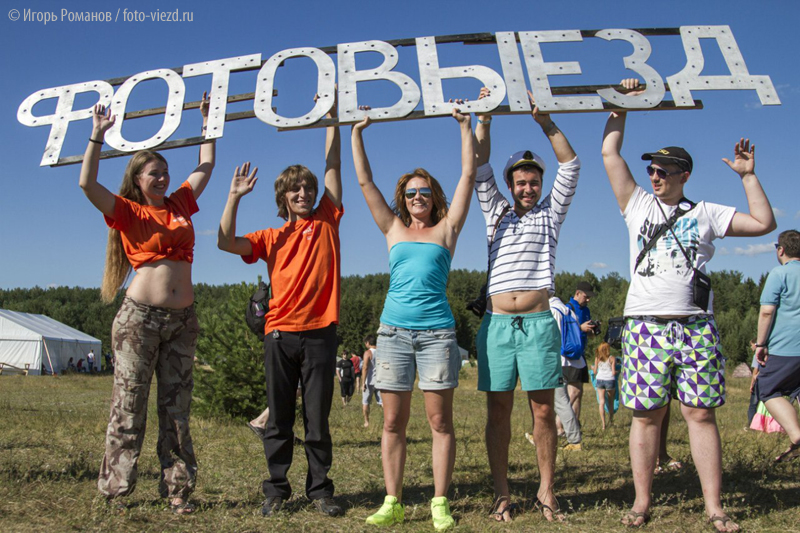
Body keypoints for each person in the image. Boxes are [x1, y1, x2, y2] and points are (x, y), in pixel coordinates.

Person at [601, 78, 776, 531]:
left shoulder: (707, 214)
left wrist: (747, 176)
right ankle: (642, 503)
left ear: (684, 174)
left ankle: (715, 507)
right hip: (644, 326)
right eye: (653, 170)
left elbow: (762, 223)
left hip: (696, 327)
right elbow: (610, 155)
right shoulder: (636, 204)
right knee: (645, 416)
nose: (655, 176)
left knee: (700, 414)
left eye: (664, 170)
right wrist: (621, 106)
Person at [81, 94, 214, 514]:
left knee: (176, 410)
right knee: (129, 404)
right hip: (140, 321)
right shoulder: (127, 211)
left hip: (182, 320)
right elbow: (87, 184)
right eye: (154, 173)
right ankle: (117, 491)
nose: (162, 179)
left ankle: (177, 491)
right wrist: (96, 137)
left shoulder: (180, 204)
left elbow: (206, 166)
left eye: (165, 173)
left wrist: (208, 123)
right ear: (138, 179)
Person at [351, 104, 475, 531]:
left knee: (440, 421)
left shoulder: (447, 229)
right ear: (401, 198)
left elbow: (468, 177)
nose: (417, 197)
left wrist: (465, 128)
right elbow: (365, 181)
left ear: (433, 196)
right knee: (392, 421)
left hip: (438, 334)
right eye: (410, 192)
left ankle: (440, 502)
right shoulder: (392, 229)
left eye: (424, 191)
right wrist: (357, 132)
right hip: (393, 334)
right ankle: (393, 500)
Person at [217, 99, 343, 518]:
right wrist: (233, 198)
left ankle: (320, 490)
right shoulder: (271, 236)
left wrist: (331, 121)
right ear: (284, 198)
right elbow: (224, 242)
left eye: (307, 187)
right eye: (296, 190)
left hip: (321, 331)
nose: (304, 193)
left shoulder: (327, 218)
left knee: (317, 419)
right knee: (279, 420)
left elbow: (333, 167)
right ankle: (276, 490)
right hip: (279, 334)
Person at [473, 87, 579, 522]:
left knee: (542, 408)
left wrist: (546, 122)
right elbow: (480, 165)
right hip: (497, 324)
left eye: (534, 181)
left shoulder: (550, 213)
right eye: (521, 181)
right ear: (511, 184)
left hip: (537, 323)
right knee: (498, 409)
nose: (529, 187)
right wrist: (485, 119)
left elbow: (570, 165)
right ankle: (502, 494)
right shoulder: (494, 209)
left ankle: (547, 491)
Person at [754, 229, 800, 462]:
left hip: (786, 347)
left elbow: (767, 311)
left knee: (768, 388)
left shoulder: (779, 274)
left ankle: (796, 436)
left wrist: (761, 343)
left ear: (780, 249)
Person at [547, 295, 583, 451]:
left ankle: (574, 440)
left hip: (556, 361)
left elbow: (551, 338)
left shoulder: (553, 311)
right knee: (561, 400)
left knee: (560, 401)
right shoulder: (570, 311)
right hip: (572, 360)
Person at [565, 281, 597, 422]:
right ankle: (558, 425)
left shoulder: (586, 310)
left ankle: (575, 425)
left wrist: (592, 331)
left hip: (581, 355)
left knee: (579, 393)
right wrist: (580, 328)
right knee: (574, 392)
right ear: (577, 293)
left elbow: (587, 333)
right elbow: (563, 332)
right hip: (570, 355)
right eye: (586, 296)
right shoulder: (567, 308)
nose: (588, 300)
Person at [591, 342, 616, 431]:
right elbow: (613, 372)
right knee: (611, 402)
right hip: (609, 380)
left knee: (601, 402)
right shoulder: (612, 358)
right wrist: (617, 371)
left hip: (600, 380)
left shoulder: (597, 358)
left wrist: (592, 368)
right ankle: (611, 421)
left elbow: (594, 372)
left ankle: (603, 425)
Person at [361, 335, 382, 428]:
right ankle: (388, 422)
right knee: (383, 403)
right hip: (381, 380)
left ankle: (366, 422)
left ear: (368, 343)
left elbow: (365, 367)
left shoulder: (368, 353)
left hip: (369, 381)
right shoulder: (382, 351)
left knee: (366, 402)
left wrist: (363, 382)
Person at [746, 339, 760, 429]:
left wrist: (752, 384)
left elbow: (755, 370)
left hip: (759, 382)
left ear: (756, 344)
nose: (751, 347)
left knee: (753, 405)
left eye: (752, 345)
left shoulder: (757, 354)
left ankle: (751, 425)